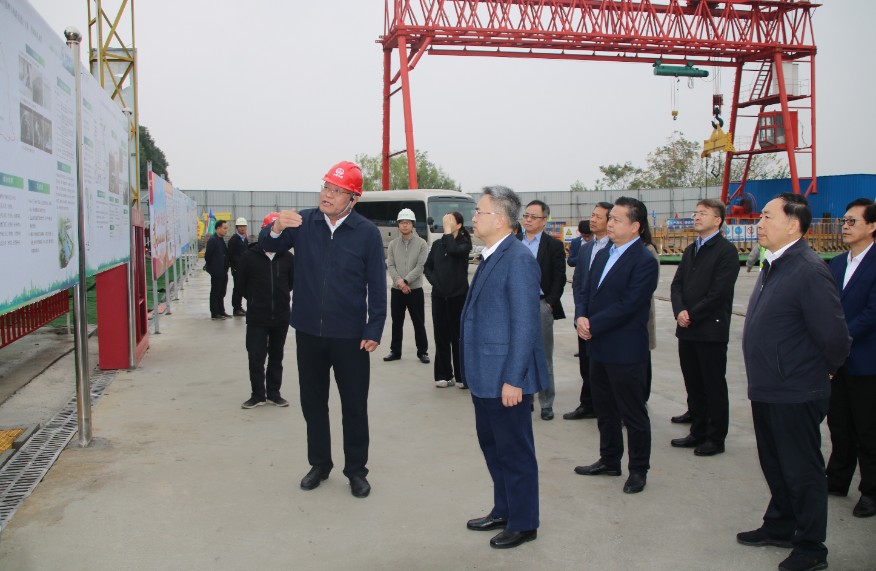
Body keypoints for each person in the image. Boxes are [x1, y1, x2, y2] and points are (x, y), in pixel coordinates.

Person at [258, 161, 386, 499]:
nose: (327, 195)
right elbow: (267, 244)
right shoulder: (304, 223)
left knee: (354, 406)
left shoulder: (366, 233)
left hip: (351, 337)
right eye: (326, 187)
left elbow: (377, 284)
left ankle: (356, 471)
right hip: (308, 334)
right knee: (313, 404)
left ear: (353, 198)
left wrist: (374, 328)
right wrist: (275, 227)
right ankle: (319, 464)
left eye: (337, 190)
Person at [736, 193, 850, 571]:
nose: (759, 223)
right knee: (775, 463)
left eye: (768, 217)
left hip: (796, 390)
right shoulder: (774, 263)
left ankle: (811, 547)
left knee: (802, 471)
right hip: (768, 386)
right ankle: (781, 525)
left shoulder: (808, 269)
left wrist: (826, 371)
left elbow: (835, 336)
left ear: (794, 224)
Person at [462, 186, 548, 550]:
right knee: (494, 447)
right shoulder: (492, 254)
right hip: (485, 375)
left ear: (499, 219)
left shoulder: (518, 259)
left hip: (505, 379)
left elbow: (526, 325)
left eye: (479, 212)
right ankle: (504, 509)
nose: (473, 218)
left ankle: (524, 522)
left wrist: (515, 379)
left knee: (514, 452)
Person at [574, 197, 659, 495]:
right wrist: (581, 316)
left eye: (617, 219)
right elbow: (585, 291)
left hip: (625, 349)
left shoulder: (644, 261)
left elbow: (630, 304)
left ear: (635, 226)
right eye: (610, 218)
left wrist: (592, 323)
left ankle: (638, 469)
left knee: (632, 413)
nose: (610, 223)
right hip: (598, 346)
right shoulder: (602, 254)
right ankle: (609, 459)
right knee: (605, 409)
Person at [669, 199, 740, 456]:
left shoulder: (726, 251)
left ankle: (715, 438)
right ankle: (697, 431)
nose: (697, 217)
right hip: (687, 328)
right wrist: (680, 311)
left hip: (710, 330)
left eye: (703, 213)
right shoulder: (691, 250)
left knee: (713, 385)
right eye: (696, 212)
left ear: (718, 220)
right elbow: (677, 284)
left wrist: (692, 313)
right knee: (694, 383)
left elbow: (719, 292)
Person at [826, 198, 876, 519]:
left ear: (872, 226)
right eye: (843, 221)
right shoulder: (836, 263)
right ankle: (837, 478)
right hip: (837, 360)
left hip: (866, 360)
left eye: (852, 221)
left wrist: (840, 335)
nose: (845, 226)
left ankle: (871, 491)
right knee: (839, 422)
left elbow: (872, 313)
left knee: (867, 428)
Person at [238, 213, 294, 409]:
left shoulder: (288, 258)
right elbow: (241, 285)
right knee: (256, 356)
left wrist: (279, 298)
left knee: (276, 356)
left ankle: (274, 393)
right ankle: (257, 395)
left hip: (281, 316)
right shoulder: (248, 257)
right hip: (257, 317)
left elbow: (291, 283)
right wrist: (255, 300)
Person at [564, 202, 612, 420]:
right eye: (592, 215)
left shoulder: (615, 249)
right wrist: (580, 313)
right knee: (586, 364)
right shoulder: (585, 249)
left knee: (607, 368)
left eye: (598, 217)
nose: (592, 220)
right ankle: (588, 404)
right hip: (584, 318)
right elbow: (578, 283)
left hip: (605, 320)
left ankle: (610, 409)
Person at [520, 200, 566, 420]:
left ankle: (546, 403)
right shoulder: (514, 242)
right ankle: (525, 397)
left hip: (540, 304)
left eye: (533, 217)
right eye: (526, 216)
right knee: (520, 353)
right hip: (517, 304)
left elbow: (560, 277)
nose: (528, 220)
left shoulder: (553, 246)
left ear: (544, 220)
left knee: (544, 356)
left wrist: (549, 303)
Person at [423, 211, 472, 388]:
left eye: (450, 220)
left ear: (459, 225)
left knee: (458, 336)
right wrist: (435, 282)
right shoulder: (437, 244)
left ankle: (461, 376)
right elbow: (428, 267)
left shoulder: (464, 243)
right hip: (439, 297)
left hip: (458, 296)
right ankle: (443, 374)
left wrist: (447, 231)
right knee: (441, 336)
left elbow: (453, 250)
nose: (446, 222)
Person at [383, 208, 430, 364]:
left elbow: (420, 266)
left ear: (412, 224)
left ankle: (422, 352)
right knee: (397, 322)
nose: (405, 225)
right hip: (397, 290)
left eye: (408, 222)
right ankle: (395, 351)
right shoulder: (393, 244)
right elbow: (390, 265)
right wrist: (399, 282)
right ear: (398, 224)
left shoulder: (421, 244)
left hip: (414, 290)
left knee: (419, 322)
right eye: (402, 222)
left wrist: (406, 281)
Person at [204, 219, 230, 319]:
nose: (226, 230)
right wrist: (213, 268)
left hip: (223, 271)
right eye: (224, 228)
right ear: (218, 228)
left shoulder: (220, 239)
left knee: (222, 292)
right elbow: (208, 256)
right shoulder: (213, 240)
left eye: (226, 228)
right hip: (217, 271)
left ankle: (221, 311)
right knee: (216, 292)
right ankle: (215, 312)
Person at [227, 217, 250, 317]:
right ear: (237, 228)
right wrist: (234, 267)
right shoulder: (234, 240)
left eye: (244, 226)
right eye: (240, 226)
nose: (242, 228)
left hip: (244, 268)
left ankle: (239, 307)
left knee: (241, 288)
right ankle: (236, 308)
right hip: (237, 269)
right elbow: (231, 255)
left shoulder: (244, 239)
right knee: (237, 288)